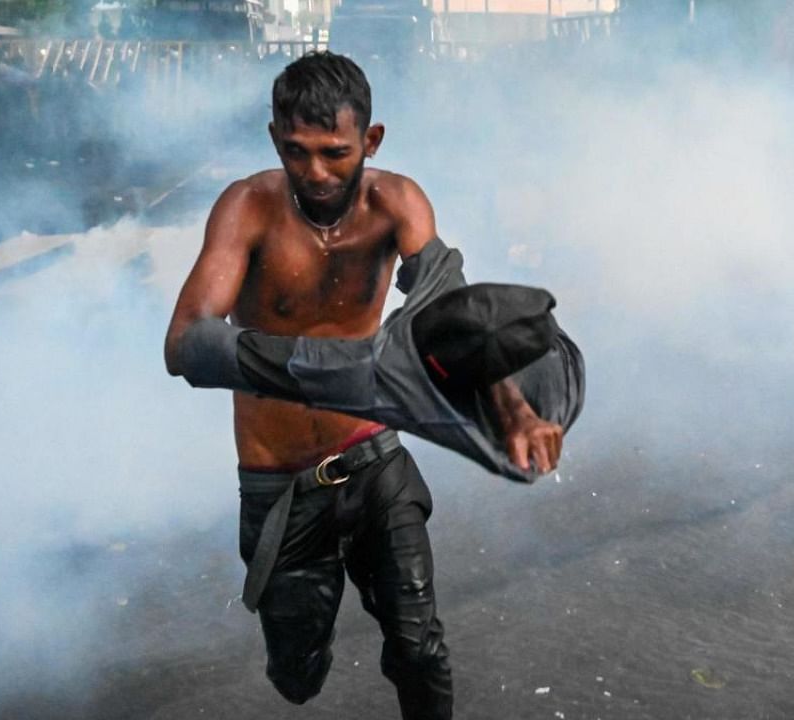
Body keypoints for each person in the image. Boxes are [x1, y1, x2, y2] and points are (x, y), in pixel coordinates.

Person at [163, 51, 564, 719]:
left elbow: (452, 315)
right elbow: (187, 343)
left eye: (334, 152)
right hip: (282, 484)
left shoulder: (396, 203)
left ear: (370, 142)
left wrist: (515, 412)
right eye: (296, 151)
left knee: (419, 647)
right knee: (297, 676)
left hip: (376, 459)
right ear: (273, 139)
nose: (315, 172)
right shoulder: (248, 207)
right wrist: (329, 370)